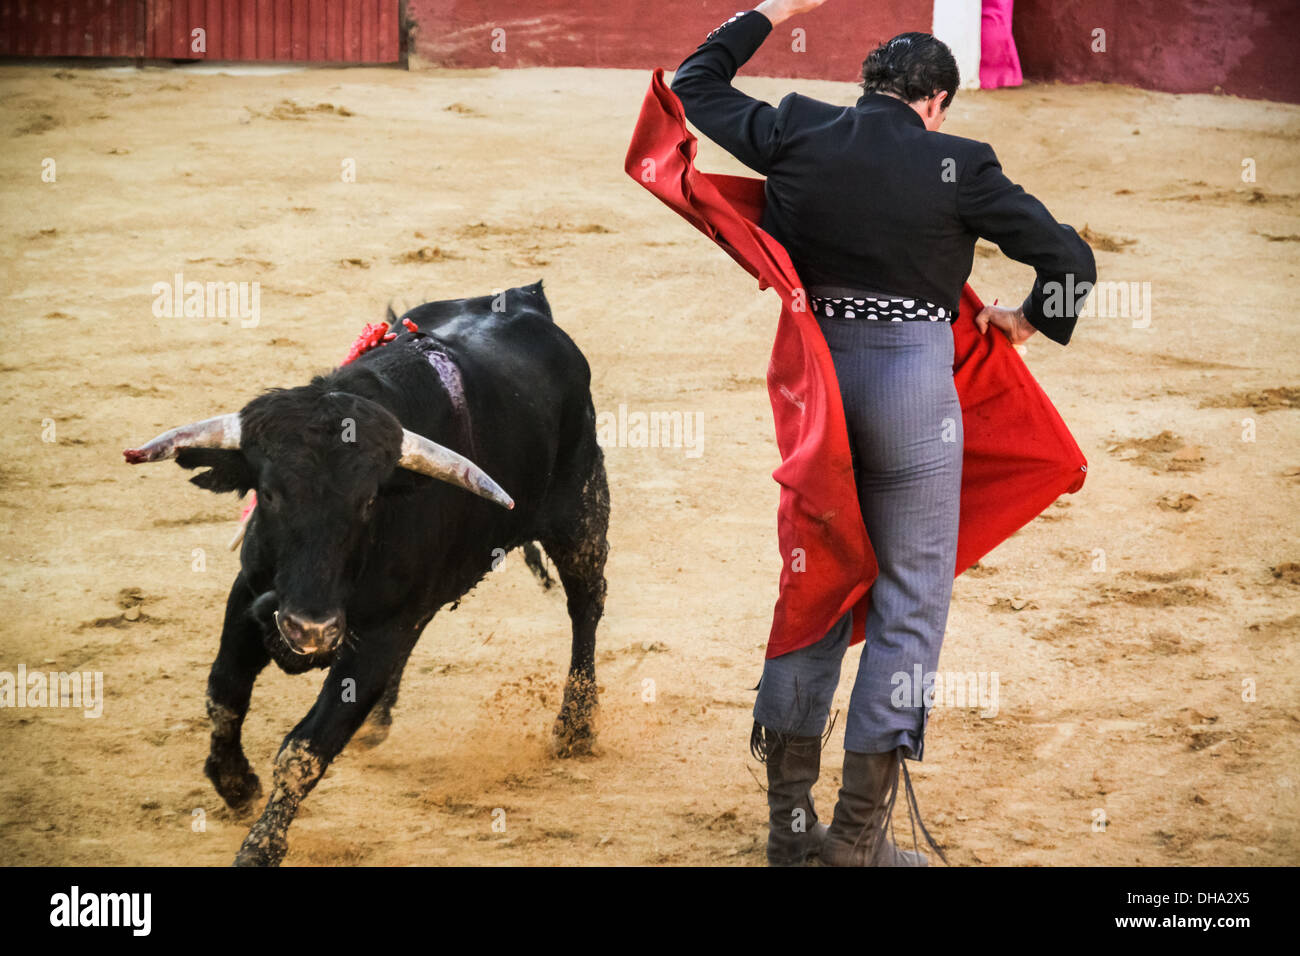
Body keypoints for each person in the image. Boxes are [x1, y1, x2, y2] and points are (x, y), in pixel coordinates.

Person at [670, 0, 1096, 866]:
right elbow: (1070, 262)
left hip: (816, 385)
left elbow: (694, 85)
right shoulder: (960, 163)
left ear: (865, 87)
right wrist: (1018, 323)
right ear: (936, 102)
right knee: (908, 603)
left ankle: (791, 835)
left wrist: (771, 9)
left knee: (814, 587)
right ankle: (856, 843)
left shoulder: (798, 130)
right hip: (911, 389)